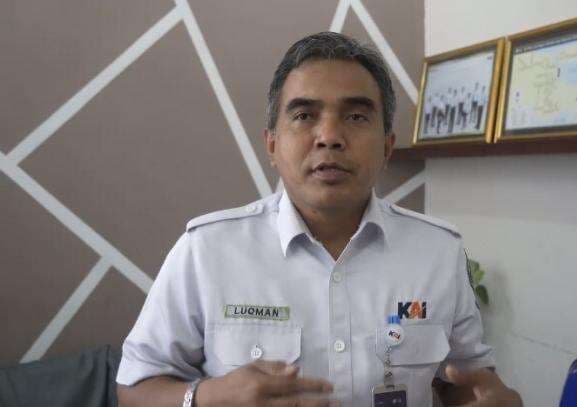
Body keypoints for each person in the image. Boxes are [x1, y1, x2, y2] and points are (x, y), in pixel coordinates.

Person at [116, 32, 522, 407]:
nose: (329, 136)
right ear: (272, 144)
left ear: (387, 147)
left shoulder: (438, 252)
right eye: (304, 115)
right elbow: (134, 388)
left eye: (356, 116)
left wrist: (492, 399)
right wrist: (205, 398)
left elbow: (465, 380)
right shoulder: (206, 250)